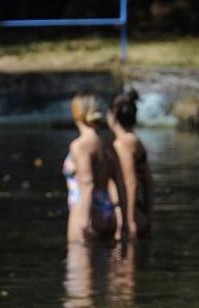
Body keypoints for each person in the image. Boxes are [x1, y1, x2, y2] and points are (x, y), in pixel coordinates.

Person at [63, 92, 127, 243]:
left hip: (85, 214)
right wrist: (122, 219)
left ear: (76, 113)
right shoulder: (108, 144)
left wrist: (85, 221)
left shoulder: (80, 145)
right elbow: (120, 182)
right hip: (107, 212)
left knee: (78, 263)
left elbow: (87, 183)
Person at [107, 89, 152, 239]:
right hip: (138, 211)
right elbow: (148, 183)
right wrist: (148, 214)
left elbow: (131, 183)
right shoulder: (136, 141)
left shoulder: (122, 144)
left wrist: (129, 221)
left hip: (126, 212)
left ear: (112, 115)